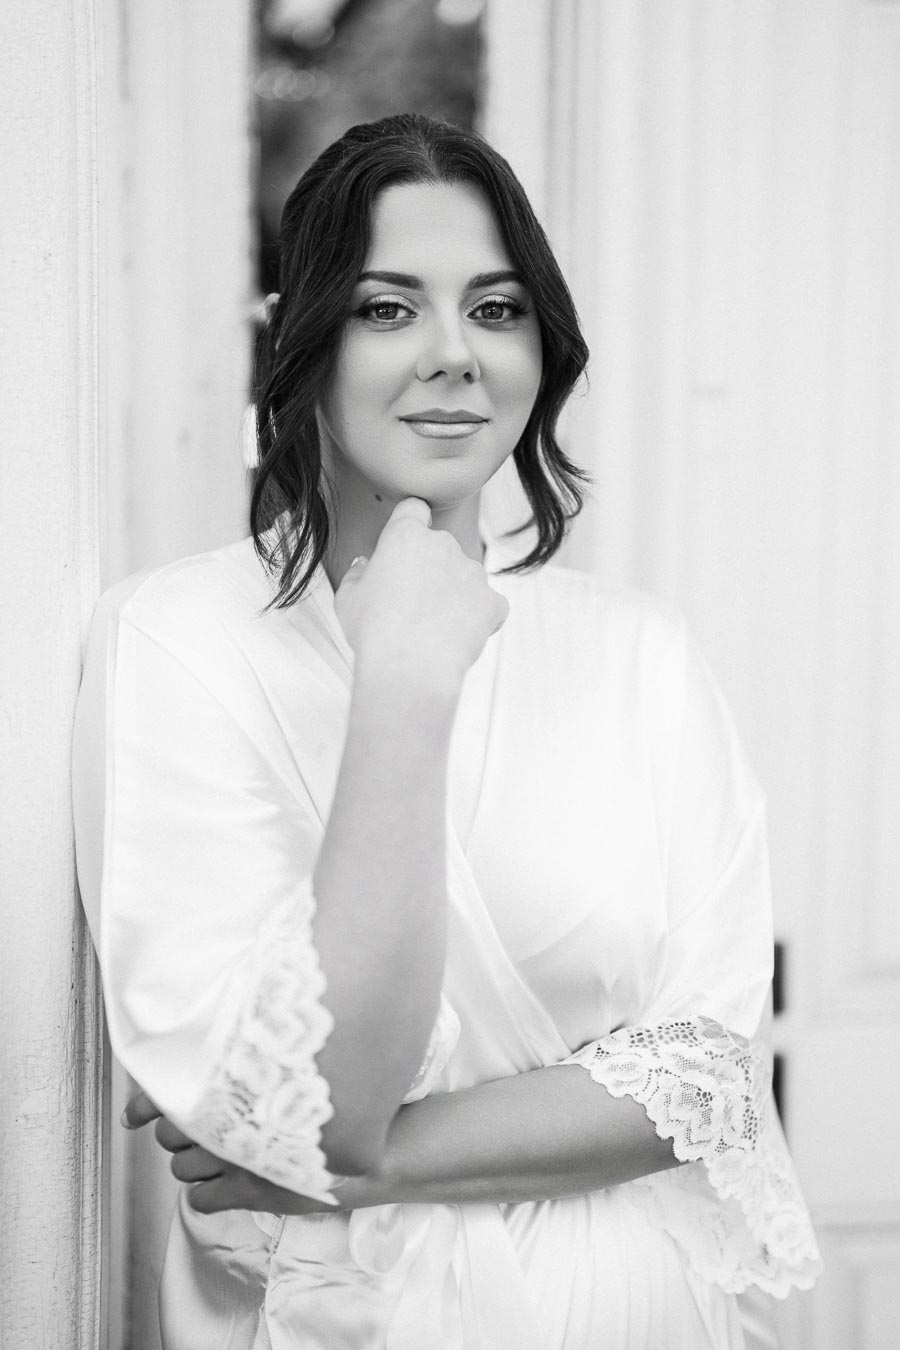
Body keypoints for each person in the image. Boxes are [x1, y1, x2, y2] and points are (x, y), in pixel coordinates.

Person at [72, 113, 821, 1349]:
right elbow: (326, 1103)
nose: (453, 355)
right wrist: (404, 687)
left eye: (496, 307)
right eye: (384, 308)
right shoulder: (174, 640)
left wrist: (364, 1169)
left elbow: (711, 1076)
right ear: (300, 340)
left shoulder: (640, 652)